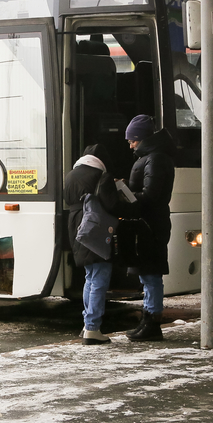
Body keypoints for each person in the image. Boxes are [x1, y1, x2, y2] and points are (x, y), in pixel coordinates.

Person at [122, 114, 175, 342]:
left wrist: (127, 196)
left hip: (151, 223)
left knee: (151, 274)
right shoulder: (152, 157)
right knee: (147, 273)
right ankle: (148, 320)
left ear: (141, 138)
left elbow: (151, 195)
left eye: (132, 139)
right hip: (150, 222)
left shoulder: (155, 159)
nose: (130, 143)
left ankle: (152, 322)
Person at [64, 144, 123, 345]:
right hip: (95, 228)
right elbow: (112, 205)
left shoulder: (70, 175)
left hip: (76, 226)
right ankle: (93, 327)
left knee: (90, 276)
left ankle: (87, 324)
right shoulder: (101, 176)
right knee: (100, 275)